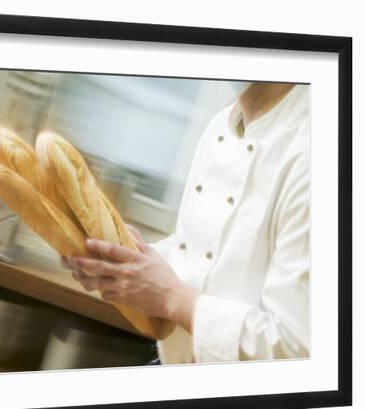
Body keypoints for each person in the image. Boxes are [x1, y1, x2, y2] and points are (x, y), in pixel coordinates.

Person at [62, 82, 310, 364]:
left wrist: (171, 298)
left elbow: (295, 352)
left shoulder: (313, 156)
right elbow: (199, 254)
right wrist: (132, 256)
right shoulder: (220, 125)